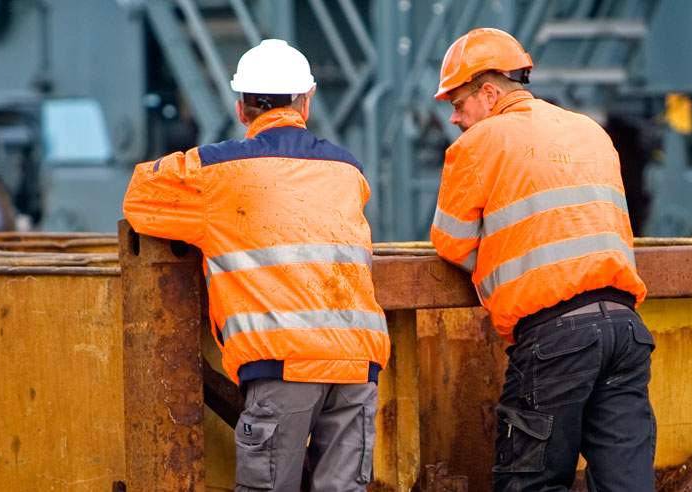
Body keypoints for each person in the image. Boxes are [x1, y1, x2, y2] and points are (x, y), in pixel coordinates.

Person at [123, 39, 389, 492]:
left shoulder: (217, 171)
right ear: (307, 101)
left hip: (282, 363)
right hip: (356, 362)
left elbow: (140, 198)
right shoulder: (349, 171)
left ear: (242, 107)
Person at [430, 28, 656, 491]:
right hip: (625, 330)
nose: (454, 118)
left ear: (489, 93)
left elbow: (450, 241)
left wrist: (502, 259)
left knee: (528, 481)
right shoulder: (589, 130)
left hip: (555, 338)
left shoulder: (481, 141)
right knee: (626, 483)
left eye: (458, 103)